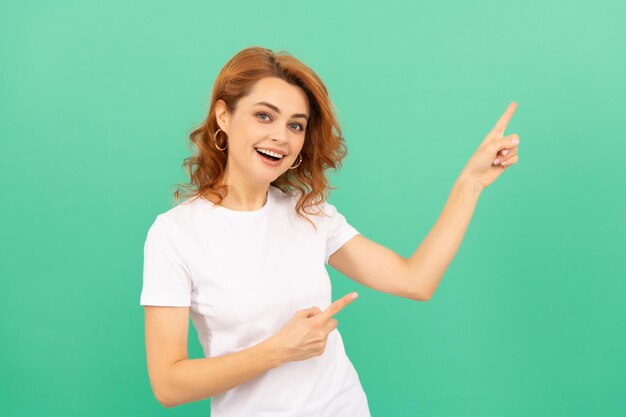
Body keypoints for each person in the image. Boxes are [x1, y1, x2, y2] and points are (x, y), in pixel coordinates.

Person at [140, 46, 521, 416]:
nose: (281, 137)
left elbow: (415, 280)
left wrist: (470, 183)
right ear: (224, 115)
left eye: (295, 125)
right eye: (264, 116)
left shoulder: (310, 215)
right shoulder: (175, 235)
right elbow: (168, 384)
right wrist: (279, 350)